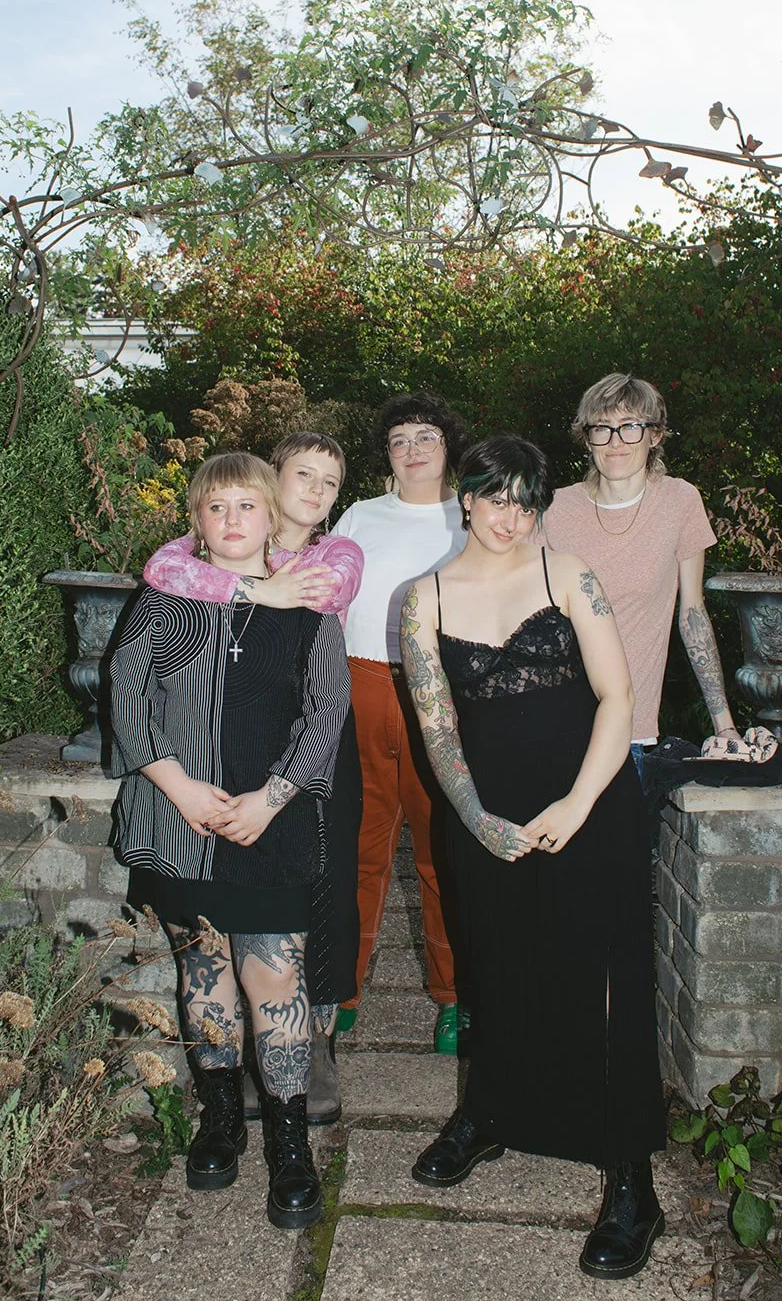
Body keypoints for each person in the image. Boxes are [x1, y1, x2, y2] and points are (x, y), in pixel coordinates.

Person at [400, 436, 667, 1280]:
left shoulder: (567, 576)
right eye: (494, 498)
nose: (509, 516)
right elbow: (435, 725)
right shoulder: (422, 598)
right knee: (497, 970)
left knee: (607, 979)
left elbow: (617, 696)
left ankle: (632, 1179)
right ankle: (490, 1114)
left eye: (525, 500)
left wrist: (577, 804)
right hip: (484, 815)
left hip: (588, 800)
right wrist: (474, 816)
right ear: (465, 501)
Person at [107, 451, 350, 1229]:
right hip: (180, 827)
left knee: (274, 979)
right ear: (196, 521)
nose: (233, 521)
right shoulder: (161, 603)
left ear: (270, 517)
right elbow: (125, 691)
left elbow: (325, 715)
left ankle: (289, 1144)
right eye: (217, 509)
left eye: (247, 506)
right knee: (204, 971)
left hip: (268, 827)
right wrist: (176, 786)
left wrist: (272, 798)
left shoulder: (309, 607)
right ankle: (218, 1121)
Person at [142, 432, 364, 1125]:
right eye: (304, 475)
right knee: (210, 944)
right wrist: (250, 583)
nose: (316, 492)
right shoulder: (215, 541)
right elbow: (159, 572)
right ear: (274, 479)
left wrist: (256, 585)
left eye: (330, 482)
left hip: (307, 738)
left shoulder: (333, 554)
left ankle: (312, 1049)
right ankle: (229, 1079)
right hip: (217, 755)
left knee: (317, 898)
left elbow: (327, 600)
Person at [330, 391, 468, 1053]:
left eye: (425, 437)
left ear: (447, 446)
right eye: (399, 440)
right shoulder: (359, 515)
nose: (412, 449)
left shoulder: (470, 516)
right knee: (359, 852)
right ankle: (342, 992)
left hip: (435, 697)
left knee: (443, 854)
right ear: (386, 455)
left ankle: (453, 997)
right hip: (360, 688)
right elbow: (328, 598)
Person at [544, 373, 741, 776]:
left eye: (630, 427)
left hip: (627, 732)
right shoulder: (553, 509)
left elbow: (692, 614)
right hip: (551, 723)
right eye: (602, 428)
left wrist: (726, 725)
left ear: (655, 435)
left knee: (623, 840)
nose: (615, 442)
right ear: (587, 438)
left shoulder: (680, 502)